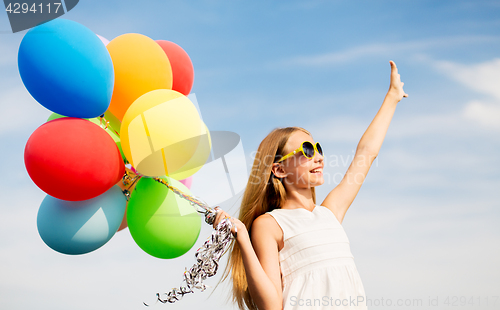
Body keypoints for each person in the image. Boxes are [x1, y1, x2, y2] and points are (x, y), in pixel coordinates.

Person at [211, 60, 408, 310]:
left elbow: (366, 154)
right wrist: (242, 238)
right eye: (306, 150)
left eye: (317, 148)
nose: (318, 156)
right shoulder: (270, 225)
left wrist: (392, 98)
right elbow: (271, 306)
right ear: (279, 169)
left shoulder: (329, 213)